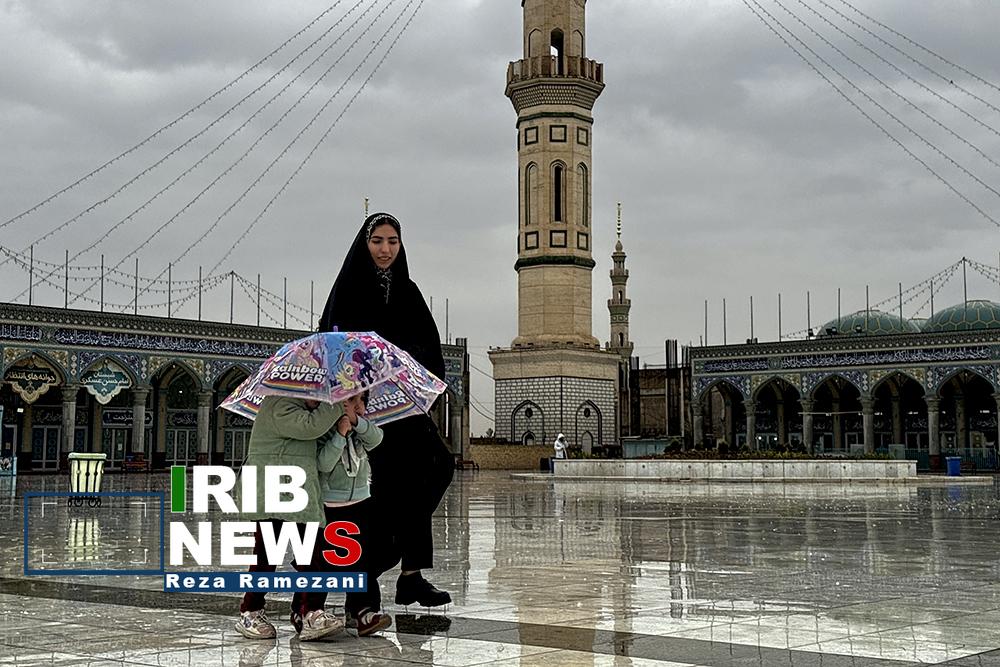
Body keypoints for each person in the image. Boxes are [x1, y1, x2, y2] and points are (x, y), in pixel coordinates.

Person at [320, 212, 454, 607]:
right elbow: (334, 345)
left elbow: (429, 348)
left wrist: (406, 368)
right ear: (365, 244)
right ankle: (366, 587)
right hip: (366, 412)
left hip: (403, 407)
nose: (385, 249)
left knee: (436, 466)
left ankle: (408, 571)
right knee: (374, 495)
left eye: (392, 241)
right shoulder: (348, 291)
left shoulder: (407, 292)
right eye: (377, 241)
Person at [235, 396, 345, 642]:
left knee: (311, 556)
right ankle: (250, 611)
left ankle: (311, 613)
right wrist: (338, 405)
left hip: (297, 492)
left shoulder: (304, 410)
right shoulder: (279, 405)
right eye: (317, 395)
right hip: (270, 491)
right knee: (267, 555)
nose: (320, 400)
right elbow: (309, 427)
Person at [313, 391, 395, 636]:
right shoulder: (323, 429)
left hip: (360, 502)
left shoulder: (361, 430)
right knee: (324, 562)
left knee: (363, 561)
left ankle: (363, 612)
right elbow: (324, 464)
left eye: (362, 401)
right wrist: (340, 434)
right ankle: (308, 610)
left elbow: (377, 438)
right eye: (350, 400)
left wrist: (356, 422)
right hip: (330, 505)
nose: (357, 406)